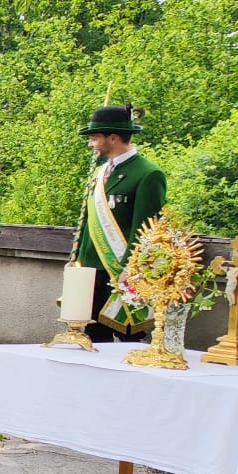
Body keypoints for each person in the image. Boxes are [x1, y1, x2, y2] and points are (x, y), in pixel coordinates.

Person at [74, 104, 166, 341]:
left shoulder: (147, 174)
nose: (90, 144)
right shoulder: (99, 172)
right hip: (92, 268)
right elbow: (87, 223)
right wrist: (77, 260)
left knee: (127, 337)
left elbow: (146, 228)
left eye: (95, 138)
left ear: (113, 138)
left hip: (122, 271)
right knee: (93, 336)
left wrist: (130, 268)